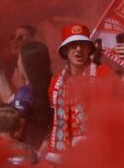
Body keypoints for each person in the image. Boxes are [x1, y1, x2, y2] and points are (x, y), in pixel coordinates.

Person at [47, 24, 112, 160]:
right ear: (64, 51)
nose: (78, 50)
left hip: (97, 150)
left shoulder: (102, 73)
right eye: (73, 45)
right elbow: (56, 121)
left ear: (89, 49)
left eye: (83, 45)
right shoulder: (56, 82)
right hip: (66, 155)